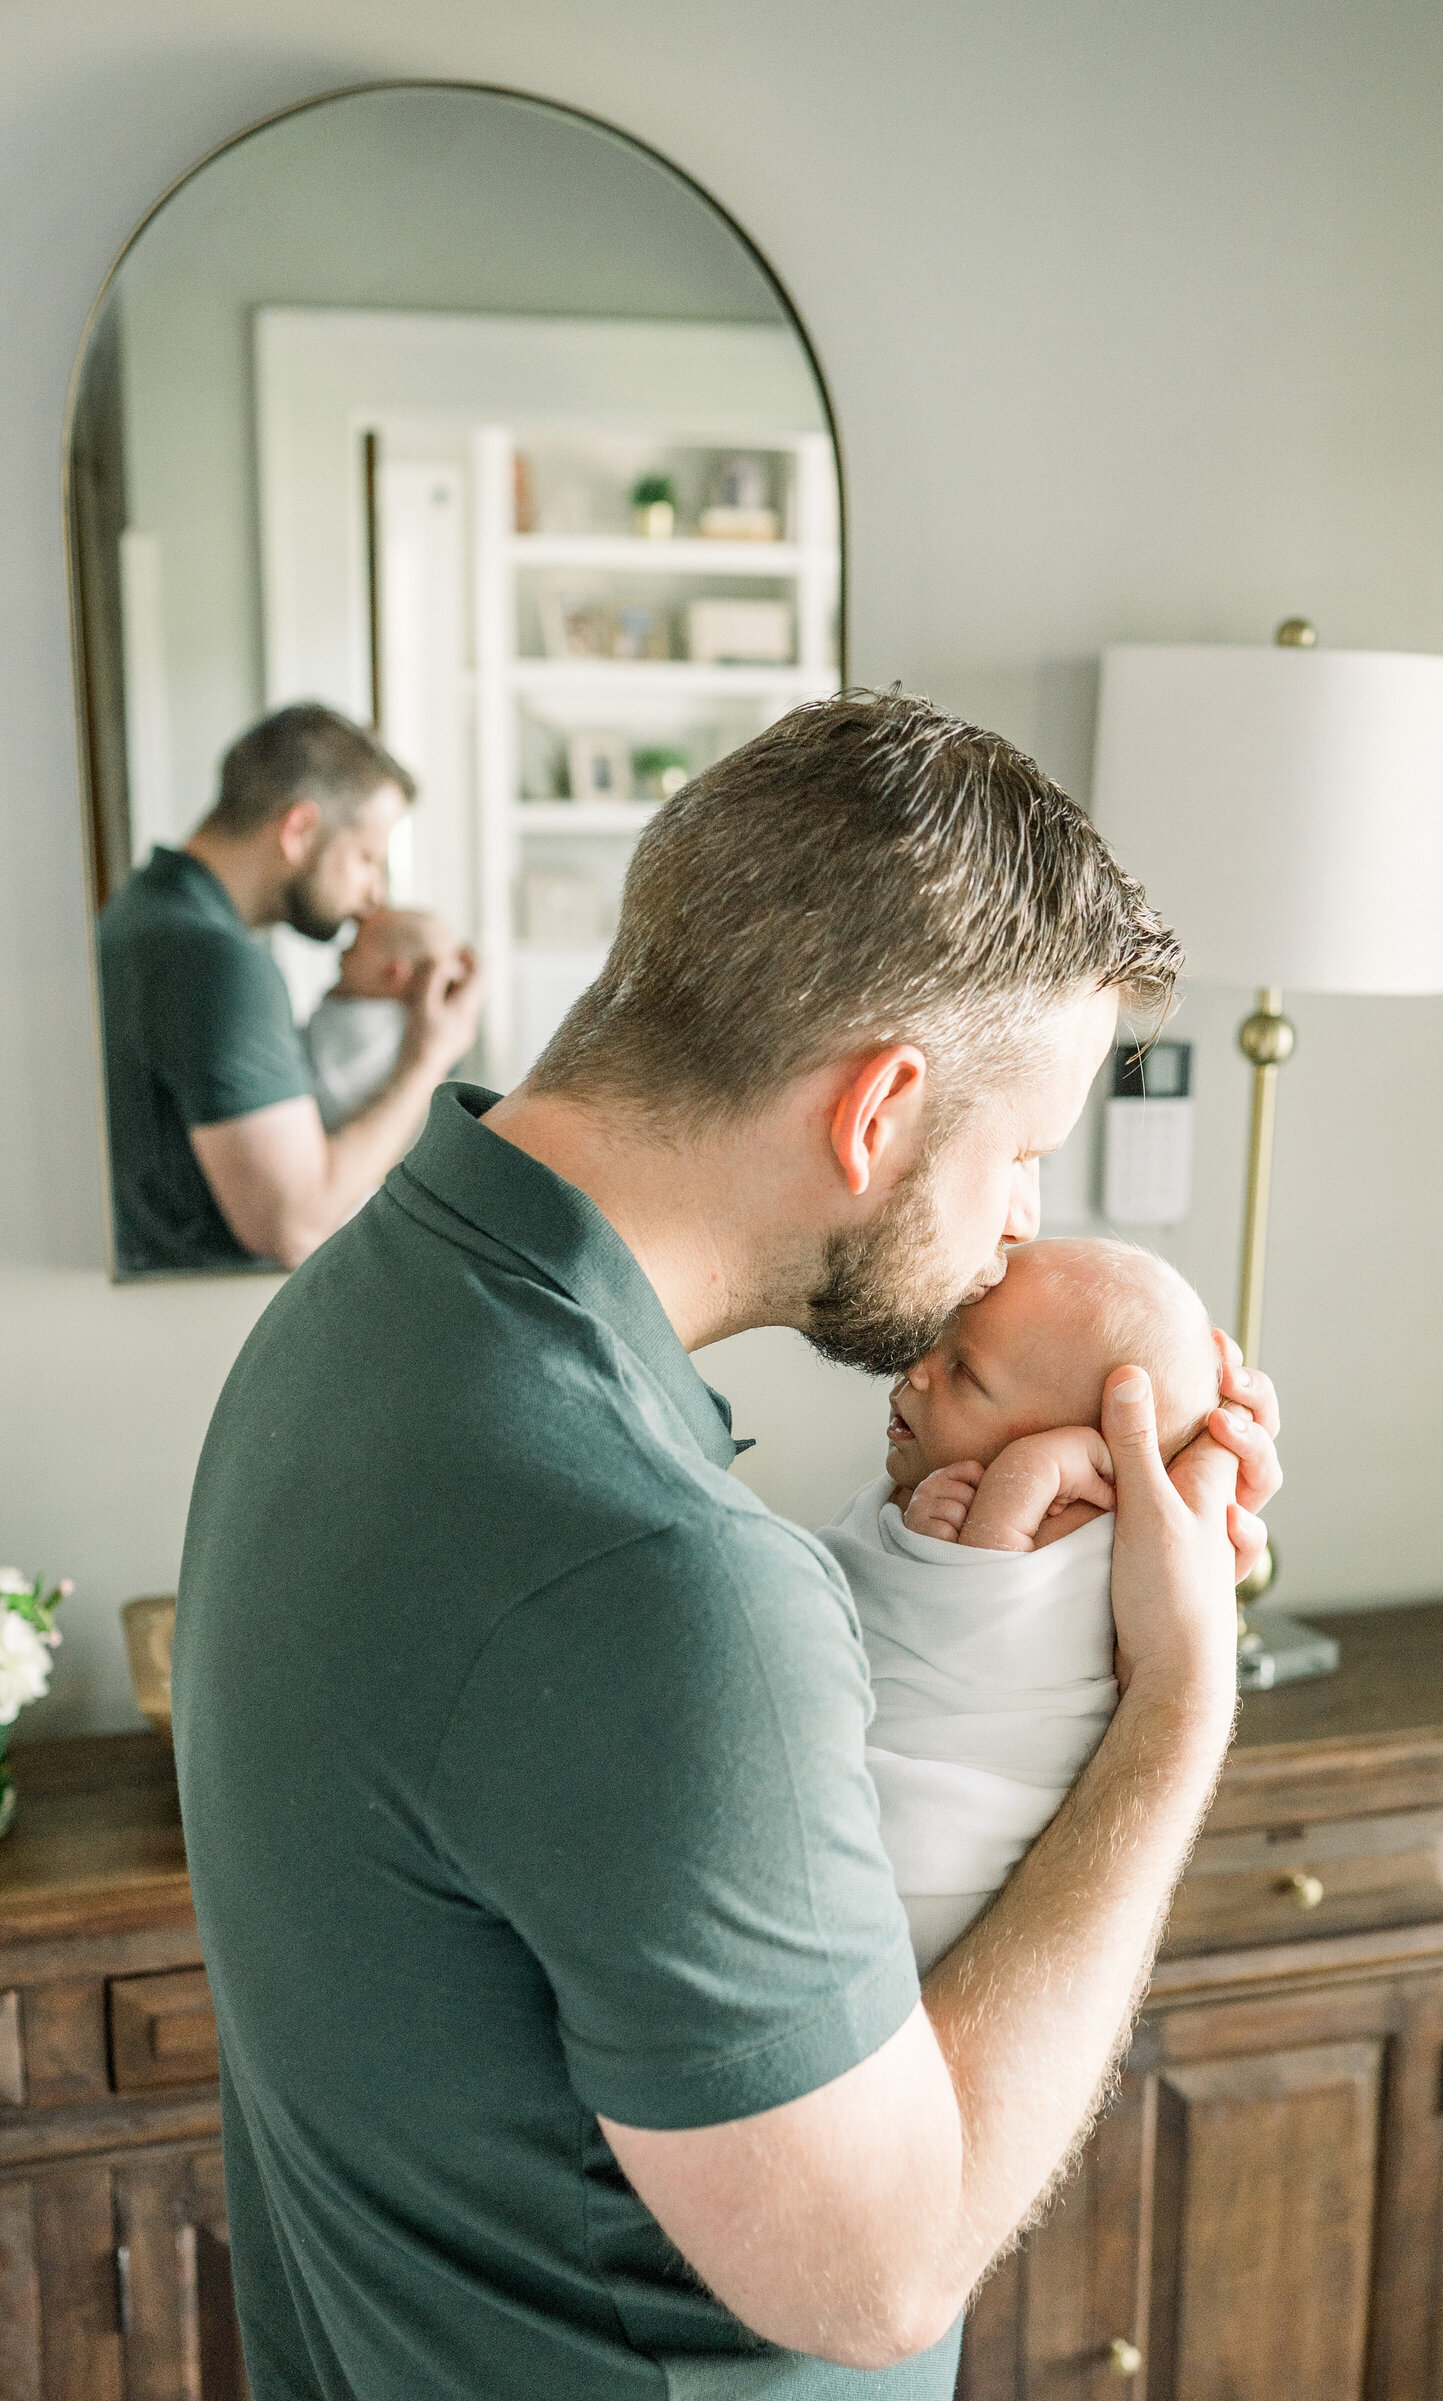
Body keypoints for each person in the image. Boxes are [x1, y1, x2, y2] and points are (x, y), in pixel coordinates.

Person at [173, 689, 1281, 2400]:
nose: (1019, 1229)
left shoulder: (364, 1304)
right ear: (877, 1110)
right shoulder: (658, 1579)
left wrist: (1044, 1574)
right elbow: (878, 2271)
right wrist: (1176, 1709)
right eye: (1023, 1156)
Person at [819, 1237, 1221, 1971]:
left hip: (936, 1857)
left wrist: (1029, 1476)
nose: (916, 1369)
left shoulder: (1088, 1533)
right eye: (936, 1339)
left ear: (1086, 1448)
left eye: (963, 1371)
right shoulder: (933, 1493)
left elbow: (979, 1623)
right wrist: (915, 1531)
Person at [96, 702, 481, 1273]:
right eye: (367, 858)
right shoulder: (216, 962)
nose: (375, 895)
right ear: (299, 829)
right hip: (190, 1337)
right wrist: (429, 1060)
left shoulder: (140, 910)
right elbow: (295, 1226)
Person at [304, 906, 466, 1133]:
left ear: (393, 974)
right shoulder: (410, 1031)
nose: (342, 954)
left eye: (354, 946)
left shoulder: (365, 1023)